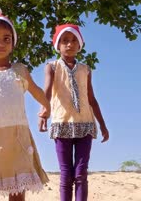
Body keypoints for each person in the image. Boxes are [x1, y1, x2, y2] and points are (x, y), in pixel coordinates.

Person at [0, 7, 50, 201]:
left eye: (6, 38)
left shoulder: (19, 71)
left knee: (17, 190)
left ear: (13, 43)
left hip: (17, 139)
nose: (0, 43)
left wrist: (47, 107)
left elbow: (37, 91)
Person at [40, 24, 109, 201]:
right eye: (64, 41)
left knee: (80, 173)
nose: (69, 44)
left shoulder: (85, 70)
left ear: (80, 45)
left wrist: (102, 124)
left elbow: (92, 99)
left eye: (73, 41)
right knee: (66, 174)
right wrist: (44, 112)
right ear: (57, 45)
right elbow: (46, 91)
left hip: (85, 125)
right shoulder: (52, 67)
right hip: (62, 125)